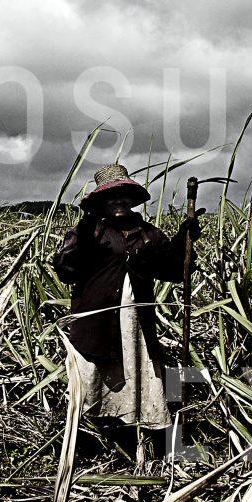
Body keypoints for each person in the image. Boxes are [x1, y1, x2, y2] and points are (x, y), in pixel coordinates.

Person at [52, 164, 201, 461]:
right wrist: (81, 238)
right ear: (100, 202)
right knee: (91, 382)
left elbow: (172, 270)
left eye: (123, 196)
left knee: (140, 376)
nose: (118, 201)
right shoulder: (90, 231)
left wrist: (185, 239)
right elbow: (66, 270)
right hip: (94, 322)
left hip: (135, 323)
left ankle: (147, 448)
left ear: (131, 199)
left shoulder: (147, 234)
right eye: (111, 197)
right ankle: (85, 449)